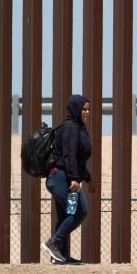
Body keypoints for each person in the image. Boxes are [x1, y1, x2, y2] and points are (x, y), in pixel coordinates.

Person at [41, 94, 94, 264]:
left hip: (62, 176)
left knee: (66, 215)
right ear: (76, 109)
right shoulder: (71, 128)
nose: (86, 112)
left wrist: (88, 178)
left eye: (88, 109)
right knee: (80, 210)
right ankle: (53, 242)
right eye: (83, 109)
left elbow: (79, 159)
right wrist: (74, 179)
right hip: (61, 178)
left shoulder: (79, 127)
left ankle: (60, 257)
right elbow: (69, 155)